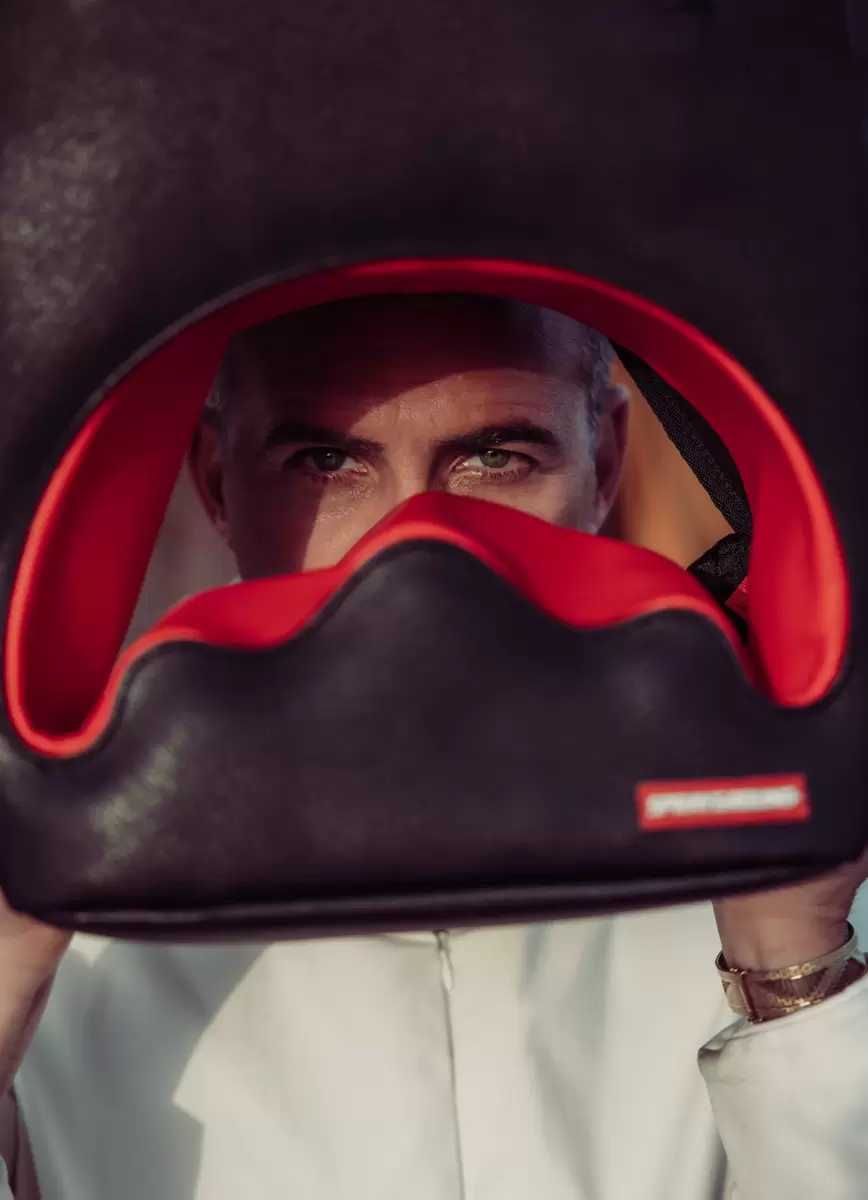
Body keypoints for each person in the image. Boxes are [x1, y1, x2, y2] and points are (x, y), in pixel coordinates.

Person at [2, 294, 868, 1200]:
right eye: (327, 462)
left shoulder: (788, 866)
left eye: (496, 458)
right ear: (219, 482)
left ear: (606, 461)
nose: (415, 554)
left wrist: (791, 970)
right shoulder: (60, 916)